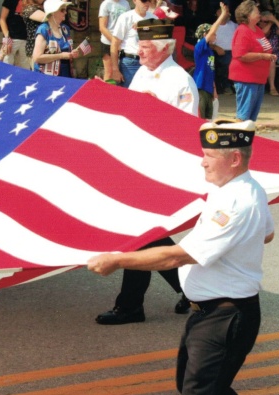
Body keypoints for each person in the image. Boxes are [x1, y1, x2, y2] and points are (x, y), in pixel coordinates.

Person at [88, 119, 279, 395]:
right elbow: (267, 234)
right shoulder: (236, 189)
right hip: (208, 313)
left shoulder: (238, 202)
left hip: (225, 317)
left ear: (235, 159)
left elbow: (177, 254)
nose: (202, 161)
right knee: (194, 388)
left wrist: (118, 260)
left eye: (209, 155)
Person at [95, 19, 198, 325]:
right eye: (138, 44)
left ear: (165, 48)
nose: (138, 51)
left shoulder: (180, 81)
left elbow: (186, 131)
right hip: (137, 164)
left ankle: (131, 306)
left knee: (143, 236)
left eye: (145, 46)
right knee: (148, 236)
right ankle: (190, 289)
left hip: (163, 168)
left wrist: (156, 116)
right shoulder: (141, 72)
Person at [230, 0, 276, 122]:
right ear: (248, 14)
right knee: (244, 115)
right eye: (256, 11)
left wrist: (268, 56)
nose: (259, 13)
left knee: (251, 117)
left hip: (258, 78)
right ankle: (238, 138)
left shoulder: (257, 29)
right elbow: (240, 55)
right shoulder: (243, 30)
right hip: (246, 78)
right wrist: (262, 56)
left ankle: (246, 139)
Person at [193, 3, 230, 119]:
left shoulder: (209, 50)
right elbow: (214, 27)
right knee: (201, 117)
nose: (215, 36)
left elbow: (211, 71)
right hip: (201, 88)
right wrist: (223, 15)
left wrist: (214, 90)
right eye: (213, 34)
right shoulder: (200, 47)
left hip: (209, 88)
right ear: (205, 35)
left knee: (209, 119)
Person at [109, 0, 157, 87]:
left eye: (149, 0)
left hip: (149, 62)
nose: (147, 3)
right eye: (144, 1)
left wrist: (143, 25)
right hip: (130, 63)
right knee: (129, 96)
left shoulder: (154, 19)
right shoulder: (126, 17)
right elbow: (115, 43)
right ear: (134, 1)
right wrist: (115, 69)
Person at [32, 0, 80, 77]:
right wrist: (61, 55)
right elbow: (37, 57)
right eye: (62, 10)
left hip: (66, 73)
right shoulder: (43, 30)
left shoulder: (65, 29)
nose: (65, 12)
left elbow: (66, 51)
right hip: (47, 77)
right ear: (53, 12)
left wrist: (72, 53)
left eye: (65, 10)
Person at [258, 7, 279, 95]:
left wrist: (274, 20)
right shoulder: (257, 29)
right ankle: (272, 87)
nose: (263, 23)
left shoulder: (274, 30)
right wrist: (270, 22)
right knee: (272, 62)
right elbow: (263, 33)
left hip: (276, 53)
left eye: (265, 22)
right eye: (262, 21)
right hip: (263, 55)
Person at [98, 0, 130, 81]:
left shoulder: (125, 3)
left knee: (123, 72)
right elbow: (102, 27)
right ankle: (107, 92)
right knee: (109, 72)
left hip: (122, 42)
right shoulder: (106, 4)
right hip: (108, 42)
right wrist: (115, 43)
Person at [213, 4, 237, 94]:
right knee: (227, 62)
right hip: (221, 52)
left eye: (228, 12)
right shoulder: (214, 26)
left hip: (235, 51)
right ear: (218, 13)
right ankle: (226, 85)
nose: (227, 14)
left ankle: (236, 85)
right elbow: (207, 42)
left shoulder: (234, 26)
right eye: (224, 11)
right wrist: (215, 47)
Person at [0, 0, 30, 68]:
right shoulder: (10, 1)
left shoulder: (31, 1)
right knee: (6, 65)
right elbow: (2, 19)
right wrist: (6, 39)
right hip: (11, 38)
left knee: (25, 68)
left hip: (26, 39)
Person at [22, 0, 46, 68]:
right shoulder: (29, 9)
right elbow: (46, 18)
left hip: (48, 48)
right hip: (35, 48)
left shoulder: (45, 6)